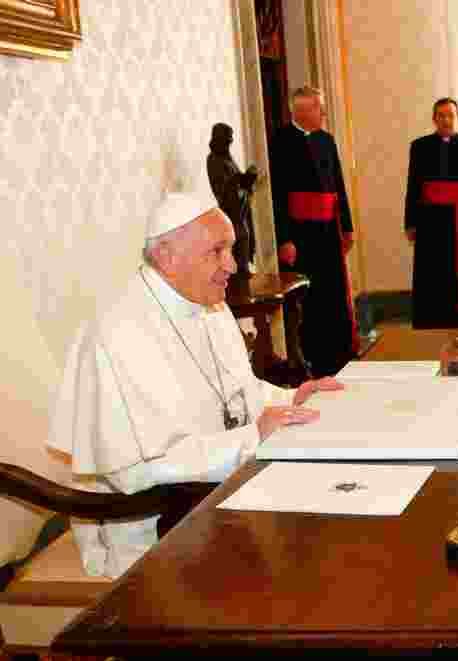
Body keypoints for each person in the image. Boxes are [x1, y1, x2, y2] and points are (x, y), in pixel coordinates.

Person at [48, 193, 342, 577]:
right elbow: (134, 471)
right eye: (217, 251)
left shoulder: (208, 304)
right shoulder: (117, 334)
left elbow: (236, 394)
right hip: (158, 532)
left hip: (220, 498)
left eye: (231, 249)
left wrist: (291, 399)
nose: (232, 266)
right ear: (167, 256)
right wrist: (251, 438)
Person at [270, 86, 358, 375]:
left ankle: (339, 353)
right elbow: (278, 195)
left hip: (328, 230)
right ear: (301, 111)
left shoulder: (327, 140)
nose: (323, 113)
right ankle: (312, 359)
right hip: (301, 235)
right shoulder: (281, 141)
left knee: (332, 293)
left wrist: (346, 226)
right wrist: (285, 239)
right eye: (318, 108)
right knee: (309, 298)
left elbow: (338, 186)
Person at [404, 97, 458, 329]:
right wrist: (411, 223)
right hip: (431, 221)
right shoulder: (419, 146)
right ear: (434, 119)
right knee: (433, 273)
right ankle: (433, 318)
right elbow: (413, 186)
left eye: (450, 115)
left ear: (457, 118)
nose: (446, 120)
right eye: (441, 115)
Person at [207, 123, 258, 284]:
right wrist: (240, 181)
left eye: (230, 141)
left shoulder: (227, 158)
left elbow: (238, 184)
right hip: (231, 215)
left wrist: (247, 180)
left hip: (240, 214)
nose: (229, 144)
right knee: (237, 254)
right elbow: (225, 191)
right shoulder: (214, 160)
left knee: (244, 245)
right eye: (226, 141)